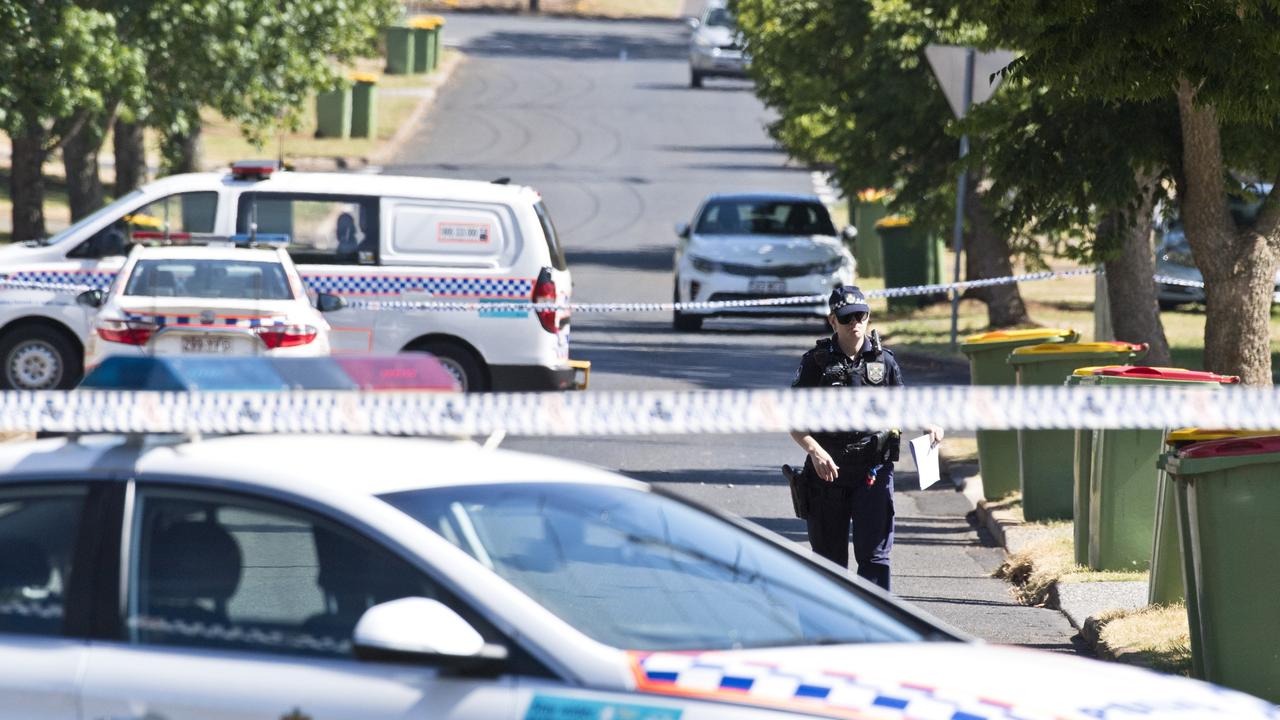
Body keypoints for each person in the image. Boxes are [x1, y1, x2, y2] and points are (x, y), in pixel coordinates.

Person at [788, 285, 943, 591]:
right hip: (827, 474)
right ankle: (829, 635)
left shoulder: (885, 362)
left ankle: (875, 630)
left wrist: (928, 425)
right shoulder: (815, 364)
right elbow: (793, 421)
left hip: (873, 473)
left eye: (861, 316)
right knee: (828, 564)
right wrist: (815, 452)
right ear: (833, 321)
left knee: (875, 558)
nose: (855, 323)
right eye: (847, 318)